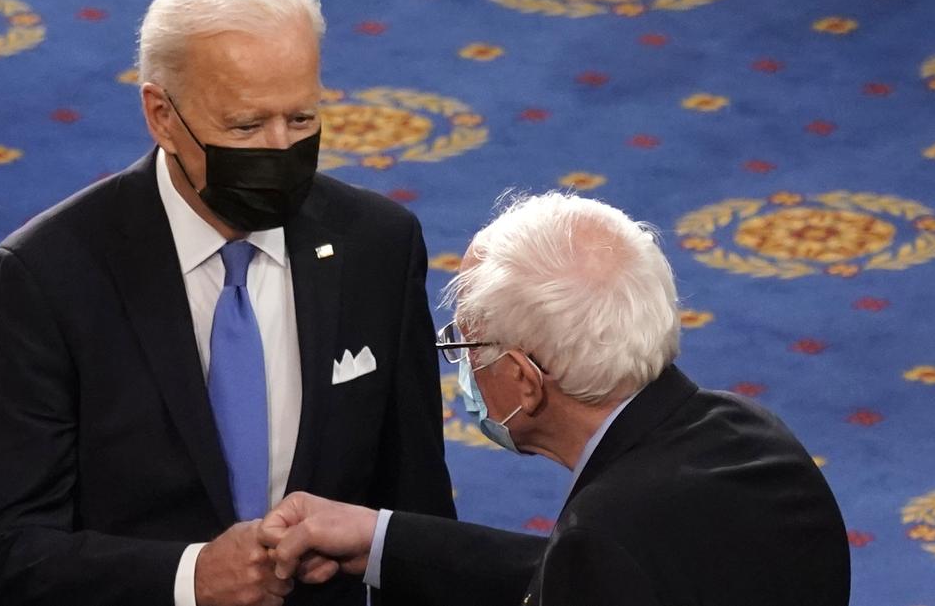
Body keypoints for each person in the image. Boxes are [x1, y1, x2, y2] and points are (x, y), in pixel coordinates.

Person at [0, 0, 455, 605]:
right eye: (246, 127)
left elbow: (418, 522)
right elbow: (1, 557)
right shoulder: (48, 277)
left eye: (301, 119)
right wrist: (191, 579)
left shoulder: (378, 247)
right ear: (162, 115)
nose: (279, 150)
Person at [259, 193, 851, 606]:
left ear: (524, 379)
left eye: (464, 341)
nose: (460, 361)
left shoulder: (605, 541)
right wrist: (379, 538)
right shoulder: (750, 434)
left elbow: (596, 568)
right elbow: (580, 571)